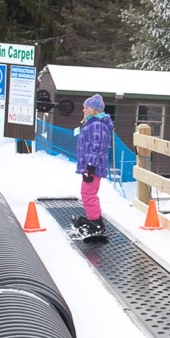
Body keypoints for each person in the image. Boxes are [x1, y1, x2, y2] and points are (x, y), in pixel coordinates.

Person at [73, 94, 114, 236]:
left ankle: (95, 222)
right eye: (84, 107)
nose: (84, 110)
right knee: (87, 193)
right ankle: (94, 219)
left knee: (88, 193)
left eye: (87, 107)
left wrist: (90, 166)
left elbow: (97, 146)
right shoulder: (92, 122)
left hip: (93, 166)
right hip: (90, 165)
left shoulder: (97, 124)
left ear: (95, 109)